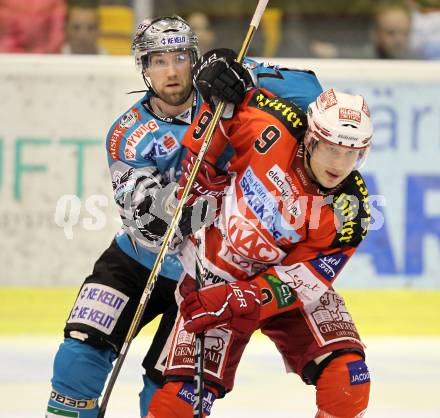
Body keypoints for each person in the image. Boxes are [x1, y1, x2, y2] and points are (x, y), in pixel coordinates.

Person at [45, 15, 323, 418]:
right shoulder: (127, 133)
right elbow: (146, 222)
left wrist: (242, 76)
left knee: (168, 395)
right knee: (78, 358)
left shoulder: (229, 97)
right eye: (158, 60)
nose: (172, 71)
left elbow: (310, 89)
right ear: (143, 68)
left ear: (195, 59)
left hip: (209, 275)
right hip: (138, 261)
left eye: (180, 57)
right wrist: (191, 203)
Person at [147, 87, 373, 417]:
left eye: (351, 154)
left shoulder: (350, 211)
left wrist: (244, 298)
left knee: (349, 379)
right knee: (181, 402)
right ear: (310, 139)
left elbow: (302, 281)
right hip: (215, 274)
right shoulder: (271, 122)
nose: (340, 164)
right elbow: (222, 107)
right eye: (332, 149)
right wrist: (201, 164)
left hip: (280, 288)